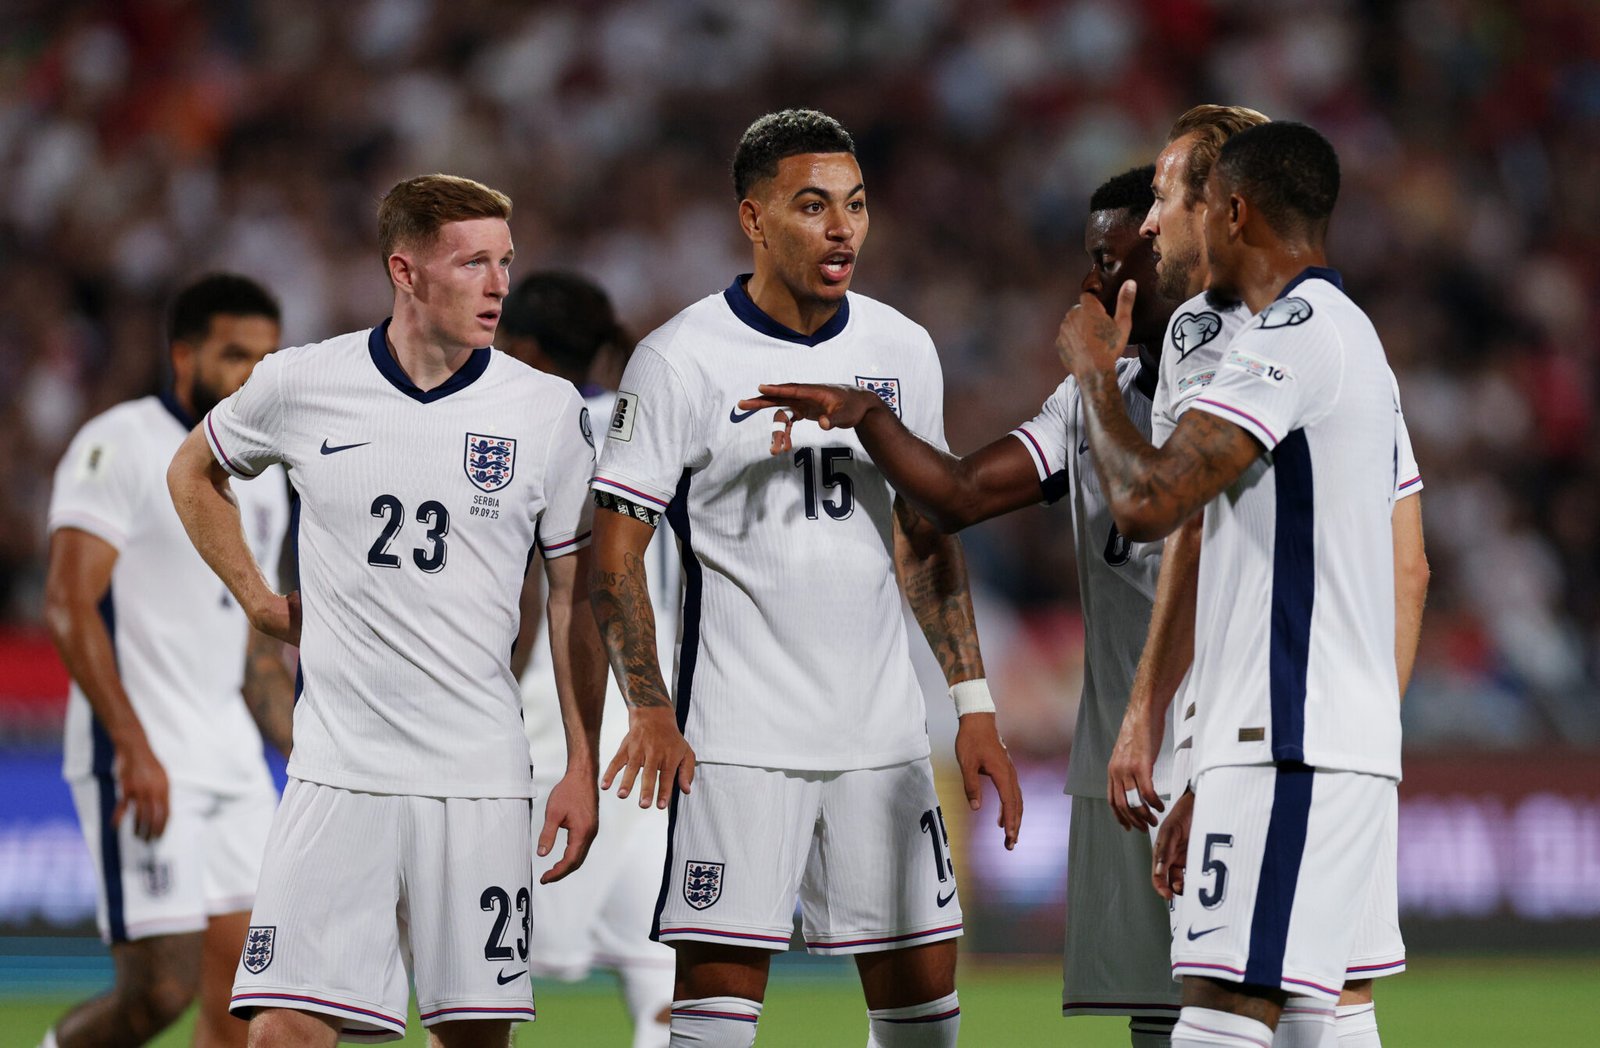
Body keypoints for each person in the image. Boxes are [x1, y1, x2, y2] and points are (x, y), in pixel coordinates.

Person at [588, 109, 1022, 1048]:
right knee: (709, 1024)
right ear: (753, 218)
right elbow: (611, 554)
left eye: (857, 206)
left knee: (924, 1028)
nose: (843, 230)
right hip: (738, 741)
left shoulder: (902, 348)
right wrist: (651, 711)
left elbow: (927, 535)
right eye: (814, 205)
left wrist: (972, 702)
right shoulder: (680, 358)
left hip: (883, 737)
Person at [739, 165, 1188, 1046]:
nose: (1093, 286)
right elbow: (952, 496)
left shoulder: (1241, 384)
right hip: (1134, 750)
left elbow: (1150, 505)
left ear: (1178, 253)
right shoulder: (1092, 397)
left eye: (1115, 260)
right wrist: (867, 415)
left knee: (1263, 1004)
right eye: (1089, 260)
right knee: (1160, 1012)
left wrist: (1096, 380)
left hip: (1226, 734)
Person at [165, 175, 608, 1046]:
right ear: (405, 271)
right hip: (339, 776)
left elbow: (571, 598)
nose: (498, 285)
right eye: (473, 262)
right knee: (281, 1032)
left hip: (479, 780)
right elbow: (193, 471)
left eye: (505, 263)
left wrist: (582, 763)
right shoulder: (301, 383)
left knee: (474, 1038)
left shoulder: (544, 411)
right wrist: (257, 598)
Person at [1055, 120, 1415, 1048]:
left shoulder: (1291, 338)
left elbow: (1149, 504)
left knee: (1220, 1016)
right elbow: (1403, 564)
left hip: (1284, 737)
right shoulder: (1354, 341)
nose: (1162, 227)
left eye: (1181, 203)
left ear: (1235, 211)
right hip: (1323, 738)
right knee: (1319, 1015)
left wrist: (1098, 376)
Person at [39, 274, 293, 1048]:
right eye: (235, 355)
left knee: (252, 1002)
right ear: (183, 355)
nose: (254, 376)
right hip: (143, 756)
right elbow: (68, 601)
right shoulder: (120, 442)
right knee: (161, 993)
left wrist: (309, 752)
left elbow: (255, 649)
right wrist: (133, 747)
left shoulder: (267, 474)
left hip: (231, 762)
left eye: (267, 358)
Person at [499, 271, 677, 1048]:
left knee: (480, 958)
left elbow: (531, 595)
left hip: (560, 710)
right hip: (660, 711)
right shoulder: (661, 427)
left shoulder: (534, 428)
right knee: (660, 967)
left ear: (528, 350)